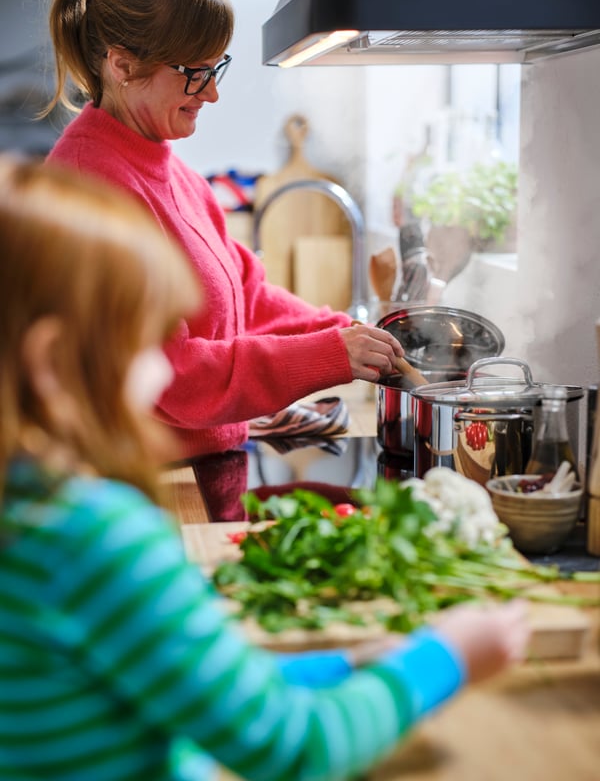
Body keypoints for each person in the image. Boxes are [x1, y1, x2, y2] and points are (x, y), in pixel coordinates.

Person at [0, 154, 530, 781]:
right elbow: (296, 748)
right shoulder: (95, 538)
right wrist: (448, 658)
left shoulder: (28, 514)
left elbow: (185, 680)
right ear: (53, 361)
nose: (166, 370)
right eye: (143, 343)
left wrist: (346, 666)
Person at [43, 0, 405, 462]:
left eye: (217, 68)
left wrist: (347, 334)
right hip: (139, 481)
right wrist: (330, 354)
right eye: (195, 73)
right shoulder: (91, 190)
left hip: (197, 456)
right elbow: (168, 373)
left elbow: (247, 294)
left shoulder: (173, 173)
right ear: (123, 65)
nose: (212, 93)